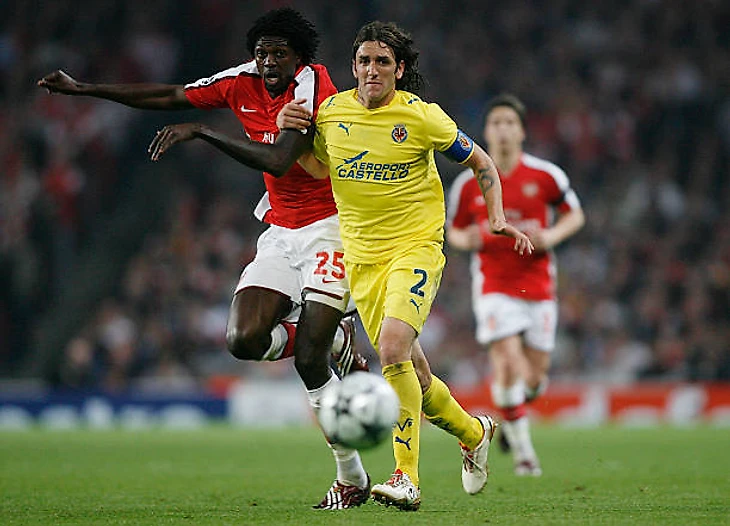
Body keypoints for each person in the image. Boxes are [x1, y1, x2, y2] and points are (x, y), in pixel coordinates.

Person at [169, 21, 532, 510]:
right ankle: (474, 431)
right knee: (415, 374)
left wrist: (497, 219)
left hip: (414, 249)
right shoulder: (333, 113)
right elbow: (317, 169)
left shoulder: (423, 118)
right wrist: (287, 130)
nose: (371, 70)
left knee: (393, 348)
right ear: (353, 67)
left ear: (400, 69)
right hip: (361, 258)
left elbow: (482, 163)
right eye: (363, 61)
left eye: (383, 61)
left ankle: (406, 477)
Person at [38, 8, 371, 510]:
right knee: (244, 339)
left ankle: (351, 477)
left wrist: (203, 132)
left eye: (280, 52)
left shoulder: (313, 88)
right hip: (281, 230)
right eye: (262, 52)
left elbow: (279, 159)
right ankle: (335, 338)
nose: (269, 61)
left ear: (300, 56)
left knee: (309, 363)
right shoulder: (240, 80)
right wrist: (86, 89)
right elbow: (170, 95)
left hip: (332, 229)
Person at [446, 93, 585, 476]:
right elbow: (452, 232)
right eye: (496, 123)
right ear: (486, 132)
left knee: (534, 380)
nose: (503, 129)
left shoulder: (545, 175)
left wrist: (552, 237)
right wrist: (467, 240)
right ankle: (525, 456)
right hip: (493, 285)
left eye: (510, 122)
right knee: (506, 362)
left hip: (538, 286)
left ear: (522, 131)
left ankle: (509, 418)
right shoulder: (467, 183)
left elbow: (575, 216)